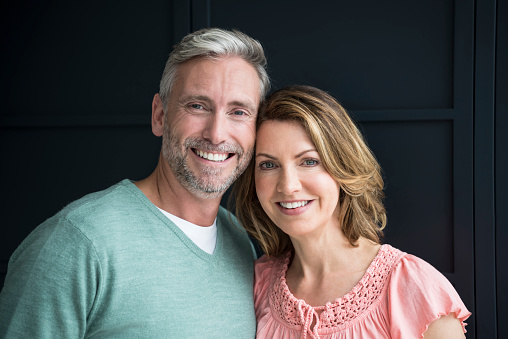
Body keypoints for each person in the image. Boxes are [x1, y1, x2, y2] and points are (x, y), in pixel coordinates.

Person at [0, 28, 270, 338]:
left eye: (238, 112)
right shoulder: (77, 242)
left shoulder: (240, 243)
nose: (217, 133)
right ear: (159, 115)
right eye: (198, 106)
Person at [234, 85, 471, 338]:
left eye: (309, 161)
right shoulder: (258, 282)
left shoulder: (413, 286)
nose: (288, 186)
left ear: (342, 166)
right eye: (268, 164)